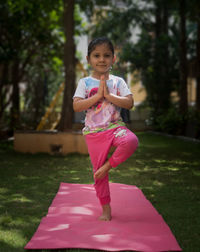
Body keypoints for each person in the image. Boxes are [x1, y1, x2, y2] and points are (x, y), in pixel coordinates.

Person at [73, 37, 138, 221]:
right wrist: (98, 96)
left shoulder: (118, 82)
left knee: (131, 141)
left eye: (106, 55)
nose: (102, 59)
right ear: (89, 59)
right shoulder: (85, 82)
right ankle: (106, 210)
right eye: (97, 55)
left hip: (114, 127)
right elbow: (77, 106)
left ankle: (108, 166)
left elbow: (129, 103)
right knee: (98, 175)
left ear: (113, 59)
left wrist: (108, 95)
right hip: (94, 134)